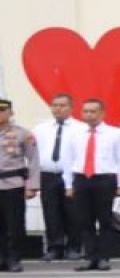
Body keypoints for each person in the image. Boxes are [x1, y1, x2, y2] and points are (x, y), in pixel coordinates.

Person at [62, 98, 120, 272]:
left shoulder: (115, 134)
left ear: (102, 113)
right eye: (86, 111)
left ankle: (104, 257)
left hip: (104, 179)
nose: (89, 115)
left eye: (93, 111)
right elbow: (68, 161)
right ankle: (90, 257)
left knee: (105, 220)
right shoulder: (75, 134)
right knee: (84, 221)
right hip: (82, 179)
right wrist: (68, 185)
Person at [31, 94, 84, 260]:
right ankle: (55, 247)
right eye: (54, 105)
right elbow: (33, 154)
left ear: (71, 107)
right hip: (47, 175)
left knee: (74, 212)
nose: (58, 109)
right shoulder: (40, 129)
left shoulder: (81, 128)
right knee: (51, 212)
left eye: (62, 105)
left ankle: (74, 247)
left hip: (73, 176)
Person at [0, 98, 39, 272]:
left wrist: (32, 185)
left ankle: (13, 258)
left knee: (14, 224)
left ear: (11, 113)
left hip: (13, 185)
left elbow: (34, 160)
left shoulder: (23, 134)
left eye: (2, 110)